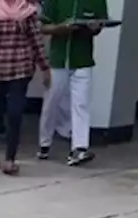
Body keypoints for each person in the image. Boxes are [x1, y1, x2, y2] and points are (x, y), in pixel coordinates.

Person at [0, 0, 51, 174]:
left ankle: (10, 158)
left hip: (20, 70)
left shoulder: (27, 13)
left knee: (15, 113)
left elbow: (36, 42)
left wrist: (44, 67)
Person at [36, 0, 105, 166]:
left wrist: (95, 28)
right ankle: (44, 143)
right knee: (51, 102)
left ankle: (79, 148)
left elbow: (101, 24)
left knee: (81, 104)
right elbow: (43, 27)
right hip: (58, 60)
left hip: (83, 60)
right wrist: (61, 29)